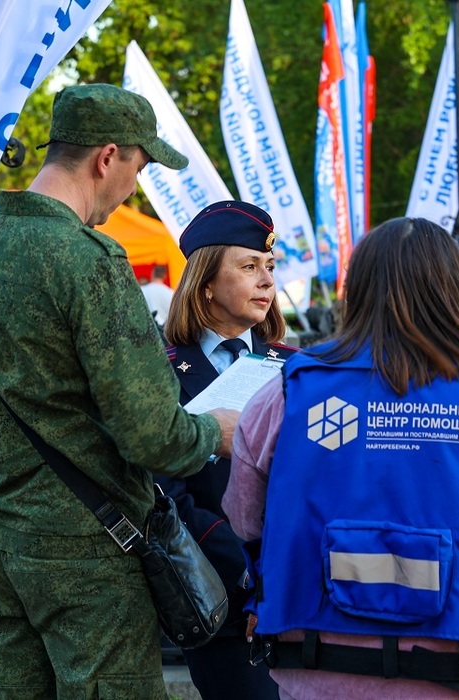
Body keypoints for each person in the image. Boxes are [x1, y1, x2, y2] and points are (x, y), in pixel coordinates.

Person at [0, 83, 239, 700]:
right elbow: (153, 434)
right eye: (139, 168)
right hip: (90, 552)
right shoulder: (91, 260)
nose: (133, 188)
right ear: (107, 157)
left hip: (2, 541)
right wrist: (218, 431)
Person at [223, 217, 459, 699]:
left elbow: (245, 520)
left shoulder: (287, 394)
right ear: (455, 292)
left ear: (357, 292)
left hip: (316, 665)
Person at [158, 200, 297, 700]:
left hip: (296, 591)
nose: (266, 280)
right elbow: (163, 492)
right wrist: (245, 573)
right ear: (206, 283)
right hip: (217, 592)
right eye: (249, 266)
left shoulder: (299, 369)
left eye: (270, 266)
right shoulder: (160, 370)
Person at [140, 263, 174, 329]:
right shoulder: (171, 293)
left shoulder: (142, 290)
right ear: (165, 276)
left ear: (152, 273)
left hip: (146, 329)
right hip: (164, 330)